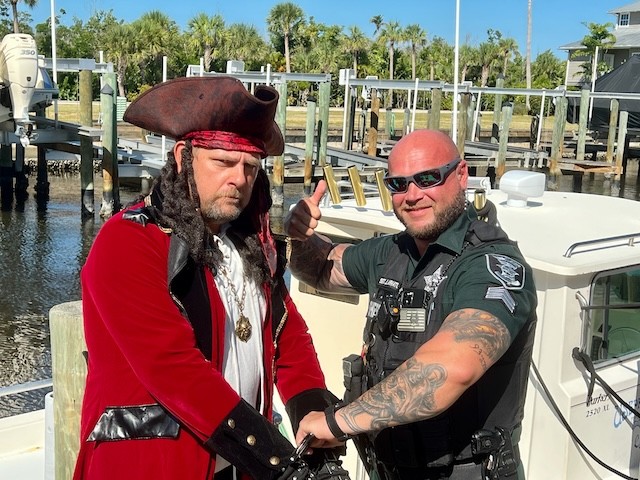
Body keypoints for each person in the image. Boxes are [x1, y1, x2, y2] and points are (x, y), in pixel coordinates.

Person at [74, 76, 347, 480]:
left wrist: (313, 415)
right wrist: (280, 463)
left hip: (236, 465)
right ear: (183, 157)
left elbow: (288, 337)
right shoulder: (128, 241)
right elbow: (175, 370)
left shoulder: (251, 246)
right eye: (222, 162)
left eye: (250, 167)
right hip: (153, 467)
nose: (239, 179)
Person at [284, 129, 538, 480]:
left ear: (461, 175)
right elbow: (320, 270)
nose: (413, 195)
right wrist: (300, 236)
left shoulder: (491, 266)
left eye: (428, 178)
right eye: (399, 184)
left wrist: (336, 423)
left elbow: (452, 367)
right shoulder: (390, 252)